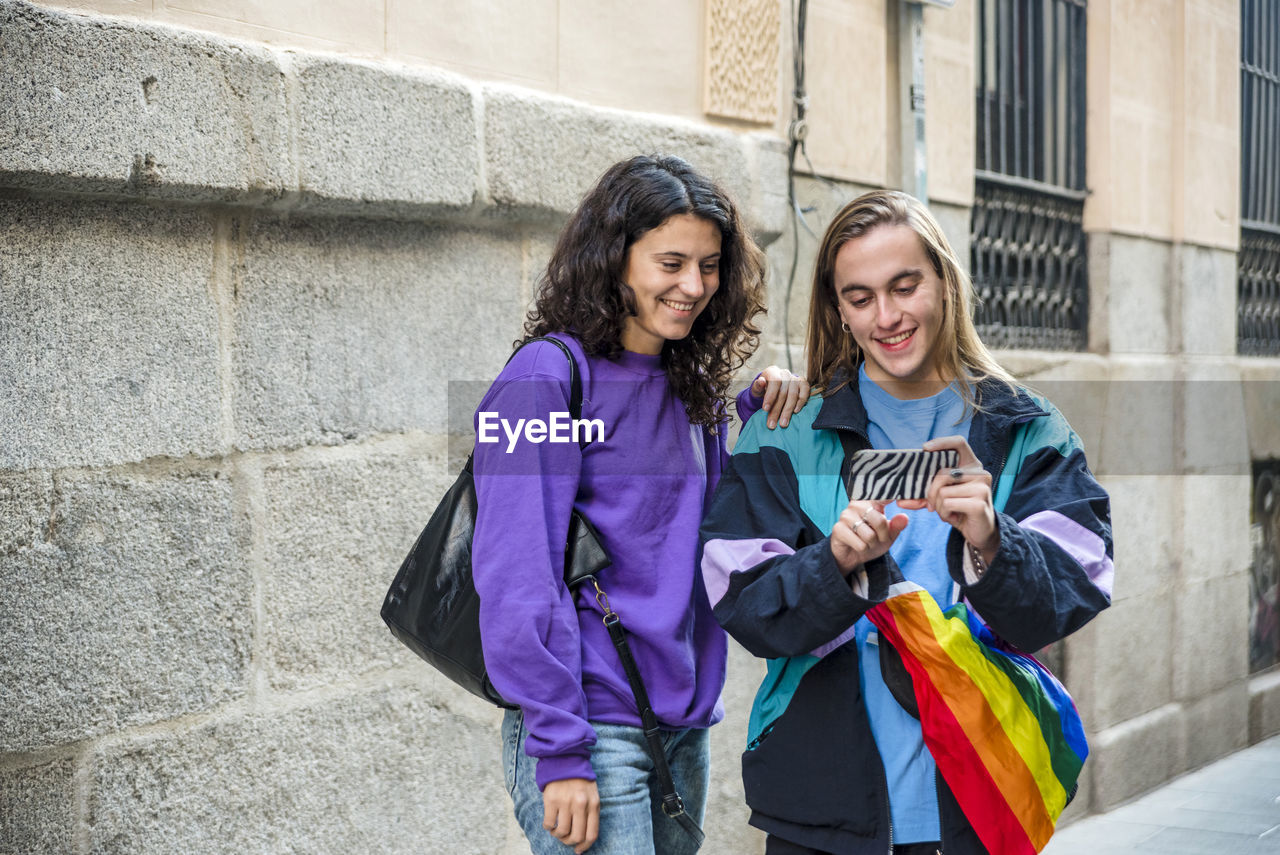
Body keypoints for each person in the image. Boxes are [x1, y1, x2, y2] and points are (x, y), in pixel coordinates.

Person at [699, 190, 1114, 855]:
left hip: (977, 800)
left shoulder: (1028, 428)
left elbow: (1076, 585)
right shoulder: (785, 432)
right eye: (860, 297)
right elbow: (741, 600)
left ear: (945, 284)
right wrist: (831, 565)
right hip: (822, 809)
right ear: (838, 307)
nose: (886, 316)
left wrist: (991, 540)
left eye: (904, 285)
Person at [470, 154, 810, 855]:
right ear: (615, 259)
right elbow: (515, 575)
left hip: (681, 727)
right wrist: (560, 750)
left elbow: (695, 528)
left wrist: (753, 407)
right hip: (589, 729)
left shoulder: (695, 392)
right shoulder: (544, 381)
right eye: (671, 262)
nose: (694, 285)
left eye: (710, 265)